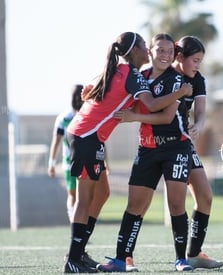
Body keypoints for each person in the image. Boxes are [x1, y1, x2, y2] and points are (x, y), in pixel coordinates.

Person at [63, 31, 193, 273]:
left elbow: (95, 89)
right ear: (135, 51)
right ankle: (72, 260)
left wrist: (91, 91)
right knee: (84, 200)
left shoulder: (120, 70)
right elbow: (153, 105)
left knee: (102, 193)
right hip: (85, 137)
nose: (147, 48)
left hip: (90, 137)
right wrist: (181, 92)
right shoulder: (131, 75)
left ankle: (79, 255)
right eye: (144, 45)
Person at [172, 36, 223, 269]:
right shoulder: (161, 74)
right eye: (195, 60)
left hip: (184, 144)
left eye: (201, 61)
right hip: (156, 146)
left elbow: (201, 114)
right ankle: (125, 256)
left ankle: (193, 253)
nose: (198, 65)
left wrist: (199, 126)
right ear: (180, 57)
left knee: (205, 196)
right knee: (139, 205)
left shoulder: (198, 79)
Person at [48, 84, 84, 222]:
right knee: (73, 195)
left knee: (85, 197)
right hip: (70, 163)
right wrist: (51, 163)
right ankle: (74, 224)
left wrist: (105, 161)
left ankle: (81, 226)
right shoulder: (64, 118)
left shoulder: (88, 114)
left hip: (87, 161)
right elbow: (56, 141)